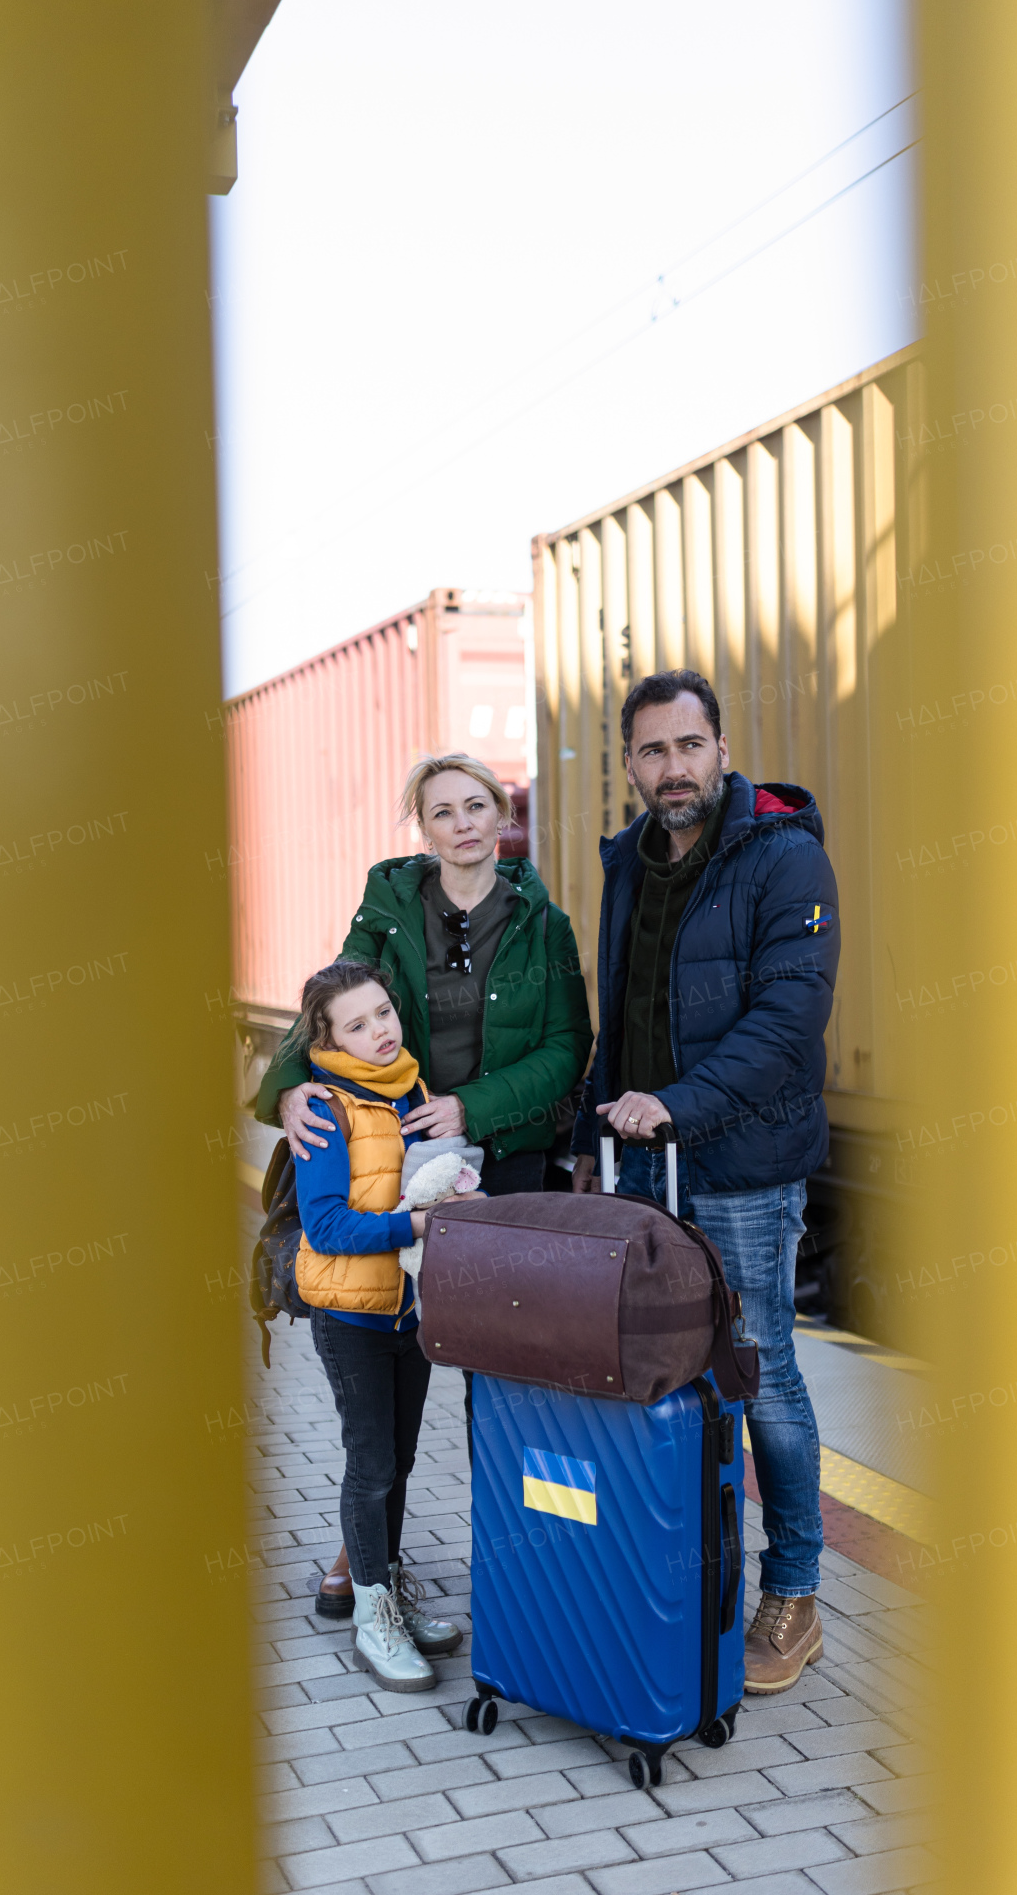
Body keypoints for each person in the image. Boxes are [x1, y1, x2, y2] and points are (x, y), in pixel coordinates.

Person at [256, 751, 593, 1614]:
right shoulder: (392, 907)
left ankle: (513, 1559)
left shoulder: (541, 922)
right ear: (424, 827)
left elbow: (566, 1050)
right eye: (442, 811)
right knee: (385, 1365)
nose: (464, 823)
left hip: (499, 1164)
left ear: (501, 815)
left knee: (498, 1365)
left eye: (478, 805)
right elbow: (332, 996)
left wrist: (470, 1108)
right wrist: (290, 1084)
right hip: (390, 1165)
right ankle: (366, 1550)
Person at [570, 668, 840, 1695]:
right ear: (628, 763)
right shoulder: (628, 862)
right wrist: (595, 1112)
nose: (669, 768)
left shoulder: (784, 859)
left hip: (736, 1164)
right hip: (640, 1159)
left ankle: (796, 1591)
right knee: (667, 1369)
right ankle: (690, 1575)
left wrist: (677, 1103)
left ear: (720, 750)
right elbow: (627, 1005)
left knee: (755, 1365)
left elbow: (785, 1023)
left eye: (687, 746)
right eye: (649, 751)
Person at [291, 956, 469, 1693]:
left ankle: (388, 1588)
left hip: (408, 1313)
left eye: (383, 1014)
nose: (378, 1032)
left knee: (398, 1461)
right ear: (328, 1040)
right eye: (356, 1025)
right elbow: (327, 1226)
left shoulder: (413, 1093)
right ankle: (371, 1616)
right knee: (370, 1466)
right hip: (350, 1317)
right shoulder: (325, 1109)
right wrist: (418, 1224)